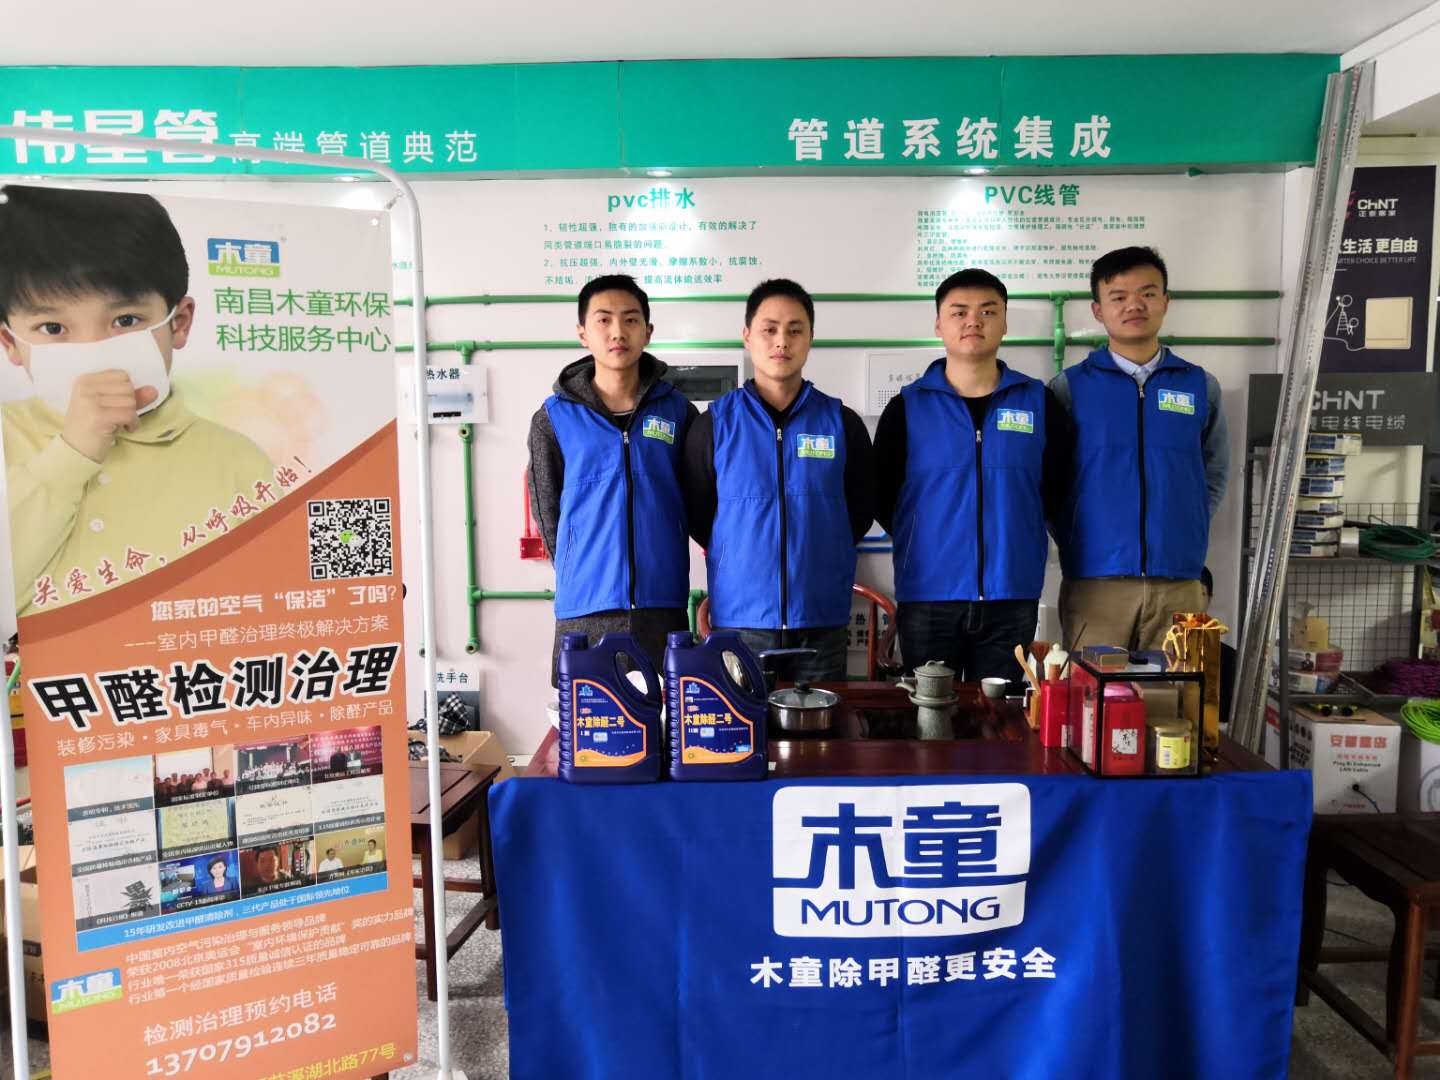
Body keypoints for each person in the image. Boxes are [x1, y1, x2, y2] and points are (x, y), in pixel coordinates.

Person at [0, 186, 276, 616]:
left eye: (125, 320)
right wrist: (71, 453)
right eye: (53, 328)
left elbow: (275, 604)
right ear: (10, 343)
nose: (92, 351)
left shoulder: (238, 461)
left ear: (179, 323)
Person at [875, 268, 1068, 681]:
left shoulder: (1038, 402)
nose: (973, 321)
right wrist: (927, 538)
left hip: (1011, 593)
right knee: (930, 713)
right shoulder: (907, 407)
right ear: (939, 324)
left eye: (987, 311)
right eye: (959, 312)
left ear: (1005, 322)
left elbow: (1057, 488)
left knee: (1001, 714)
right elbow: (882, 494)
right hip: (928, 594)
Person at [682, 279, 874, 682]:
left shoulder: (842, 423)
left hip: (821, 619)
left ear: (810, 338)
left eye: (794, 330)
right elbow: (699, 516)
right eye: (769, 329)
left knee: (823, 724)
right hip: (741, 619)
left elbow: (859, 511)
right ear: (747, 337)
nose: (781, 341)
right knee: (744, 721)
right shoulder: (714, 425)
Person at [1050, 246, 1229, 652]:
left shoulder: (1200, 386)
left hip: (1180, 581)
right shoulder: (1068, 389)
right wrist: (1076, 536)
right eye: (1119, 297)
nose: (1134, 305)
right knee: (1093, 690)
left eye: (1147, 293)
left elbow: (1215, 471)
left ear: (1165, 301)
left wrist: (1184, 524)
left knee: (1179, 691)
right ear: (1098, 310)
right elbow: (1049, 482)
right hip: (1095, 583)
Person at [527, 274, 698, 684]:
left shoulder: (678, 412)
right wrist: (582, 569)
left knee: (666, 718)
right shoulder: (553, 419)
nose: (617, 331)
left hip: (662, 604)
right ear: (583, 333)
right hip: (586, 610)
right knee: (588, 719)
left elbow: (696, 502)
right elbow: (547, 511)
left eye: (630, 319)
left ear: (648, 332)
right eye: (603, 320)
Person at [1200, 567, 1237, 728]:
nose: (1193, 601)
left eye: (1201, 594)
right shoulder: (1162, 650)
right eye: (1188, 594)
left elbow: (1224, 719)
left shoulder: (1229, 659)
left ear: (1210, 598)